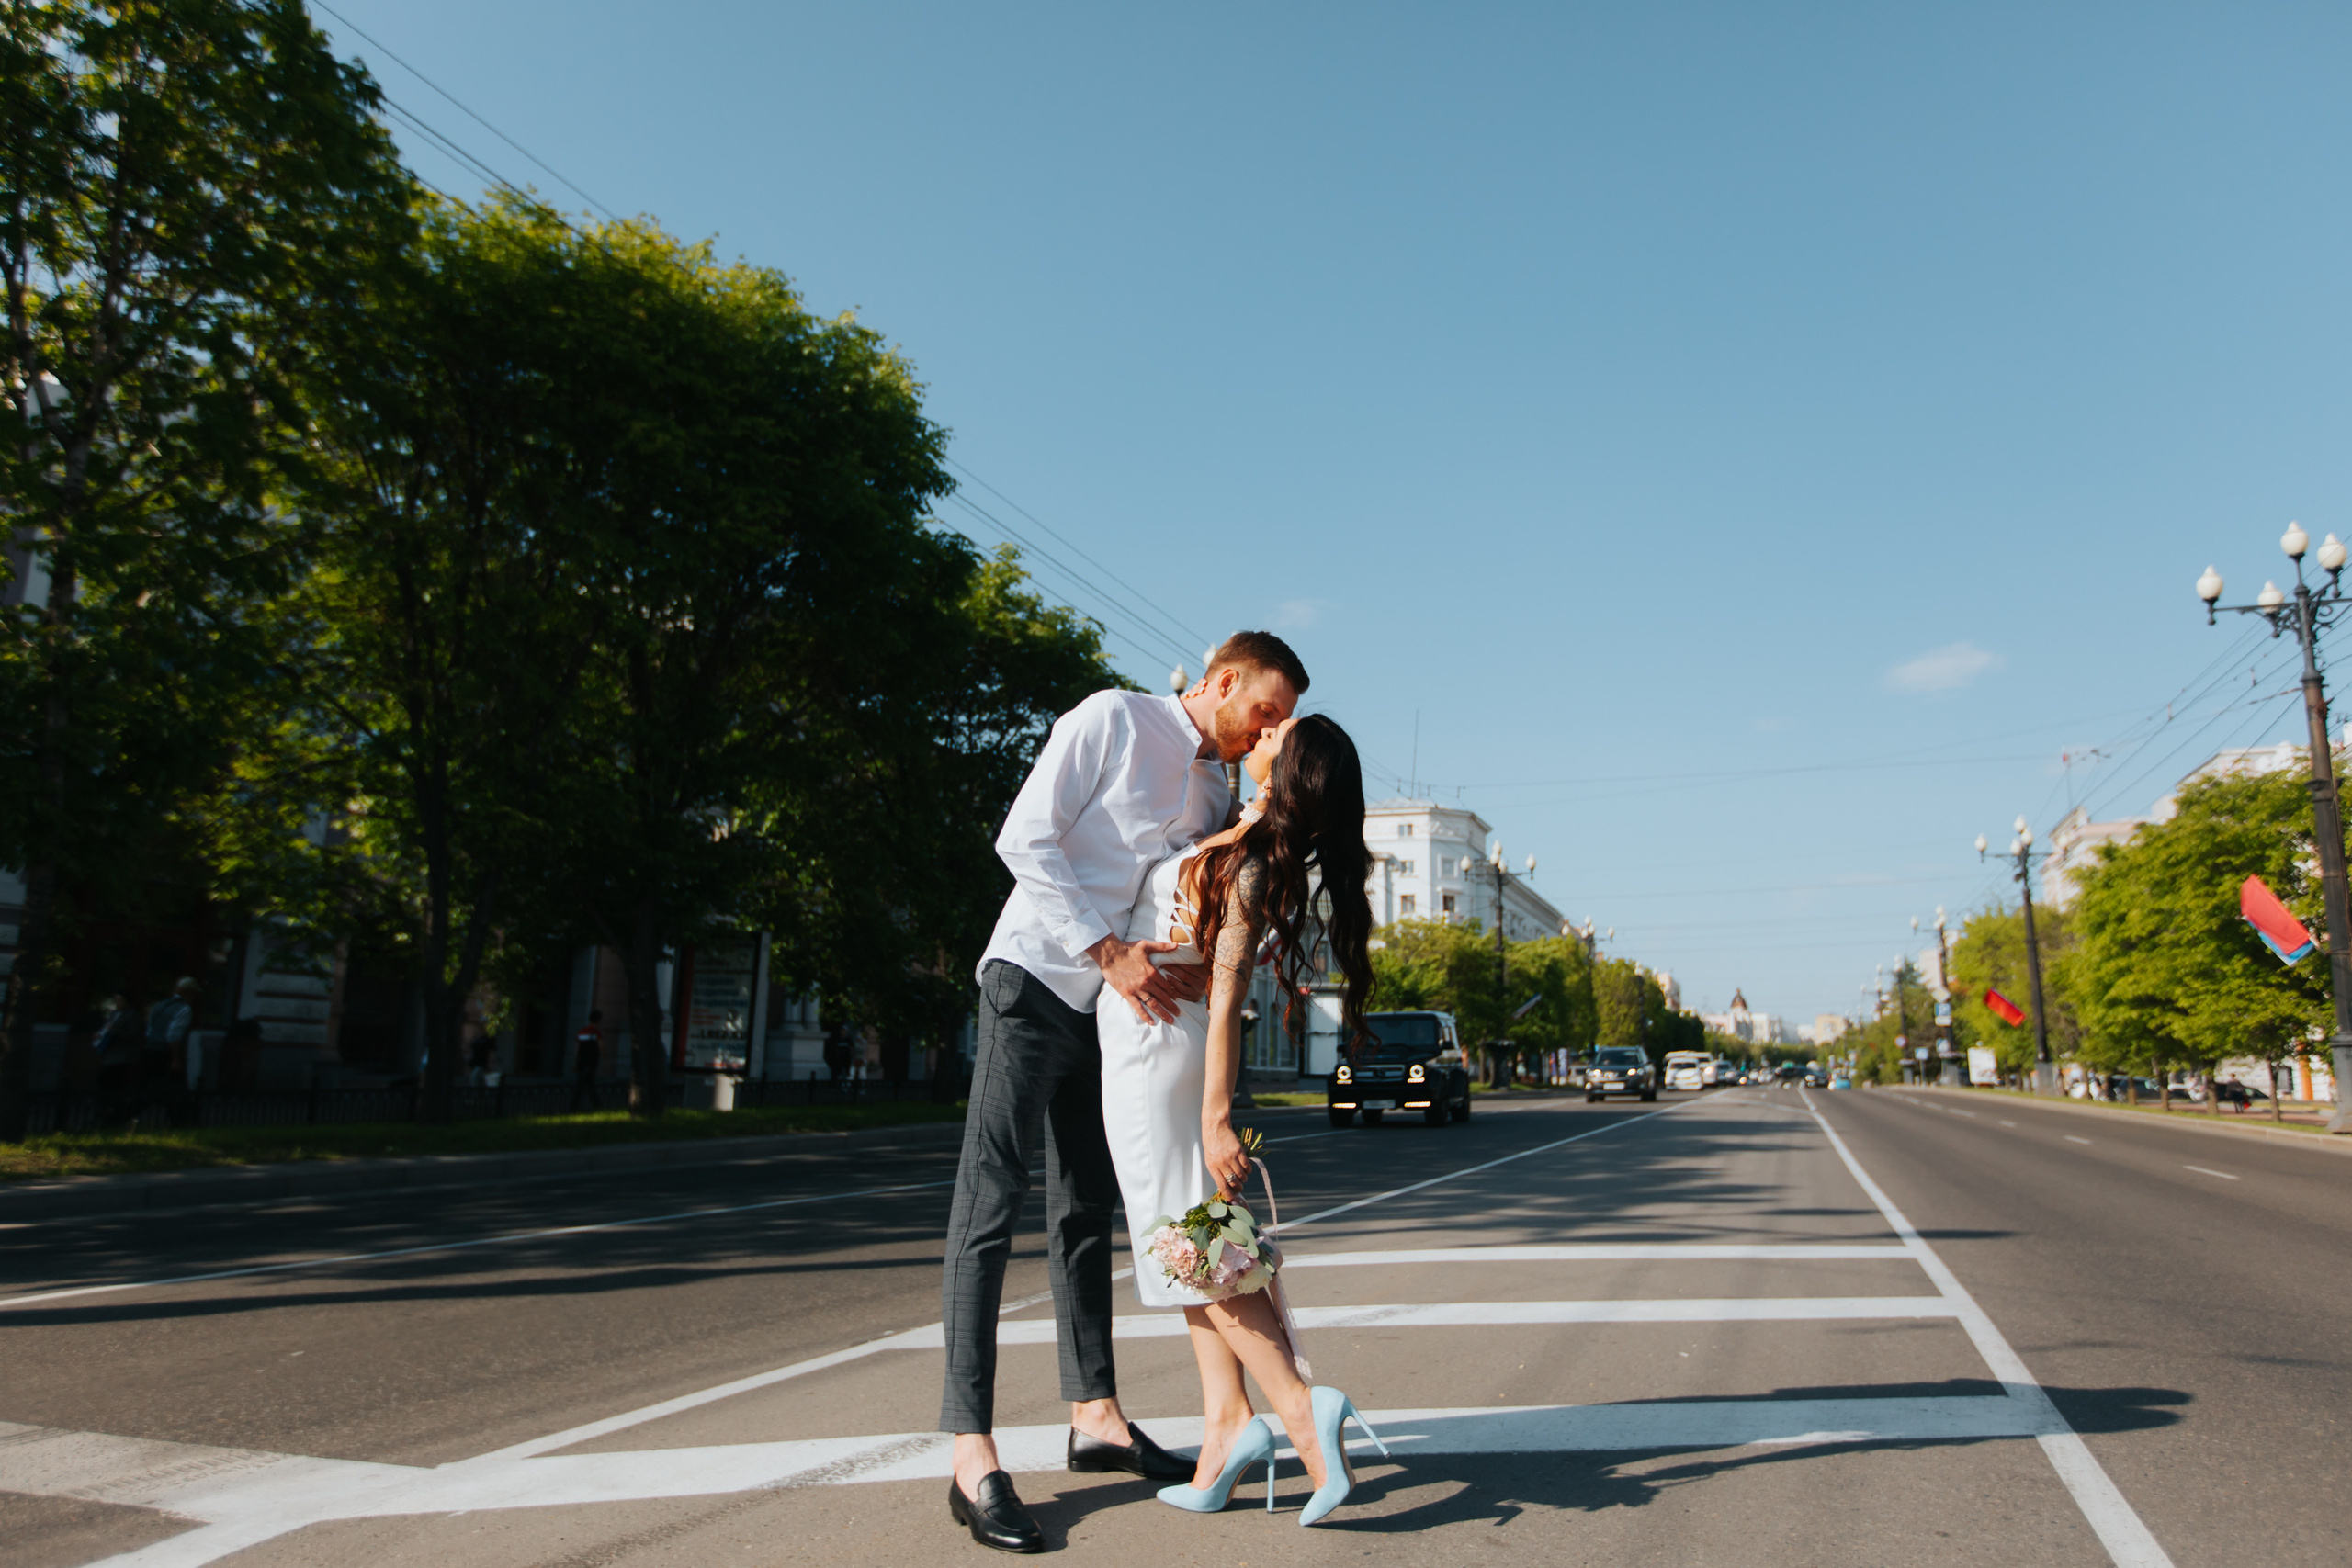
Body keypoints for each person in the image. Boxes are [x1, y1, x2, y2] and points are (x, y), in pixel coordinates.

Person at [939, 631, 1306, 1553]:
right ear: (1222, 682)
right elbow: (1022, 837)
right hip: (1033, 982)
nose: (1270, 728)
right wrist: (1105, 950)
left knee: (1083, 1212)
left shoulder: (1217, 787)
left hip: (1117, 1015)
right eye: (1264, 710)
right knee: (991, 1207)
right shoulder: (1113, 719)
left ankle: (1095, 1415)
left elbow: (1183, 903)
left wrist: (1181, 964)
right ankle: (971, 1452)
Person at [1099, 713, 1384, 1526]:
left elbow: (1227, 999)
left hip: (1160, 1054)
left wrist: (1218, 1115)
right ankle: (1226, 1425)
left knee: (1193, 1249)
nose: (1265, 724)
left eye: (1279, 725)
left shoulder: (1257, 858)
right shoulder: (1246, 834)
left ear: (1287, 765)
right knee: (1195, 1244)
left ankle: (1302, 1412)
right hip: (1152, 1042)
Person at [571, 1010, 604, 1111]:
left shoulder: (582, 1031)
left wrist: (576, 1061)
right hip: (592, 1060)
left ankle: (578, 1103)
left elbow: (577, 1047)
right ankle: (594, 1102)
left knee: (583, 1081)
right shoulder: (596, 1032)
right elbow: (600, 1046)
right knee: (589, 1081)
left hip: (582, 1060)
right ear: (598, 1020)